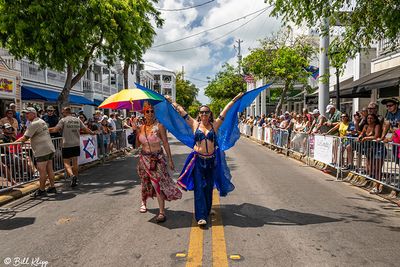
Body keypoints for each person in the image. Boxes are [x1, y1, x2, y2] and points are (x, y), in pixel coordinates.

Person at [167, 92, 242, 226]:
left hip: (211, 161)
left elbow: (225, 110)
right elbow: (181, 112)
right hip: (198, 160)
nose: (204, 115)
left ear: (210, 114)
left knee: (208, 188)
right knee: (199, 188)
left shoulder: (215, 125)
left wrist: (234, 99)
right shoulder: (195, 125)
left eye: (206, 112)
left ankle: (206, 211)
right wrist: (172, 102)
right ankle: (200, 216)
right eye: (201, 112)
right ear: (199, 114)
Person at [136, 102, 182, 223]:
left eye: (152, 111)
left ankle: (161, 212)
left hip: (157, 159)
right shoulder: (141, 127)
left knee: (157, 183)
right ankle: (143, 202)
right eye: (147, 111)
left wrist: (170, 159)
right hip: (144, 159)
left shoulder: (160, 126)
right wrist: (134, 130)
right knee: (145, 181)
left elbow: (165, 143)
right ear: (144, 113)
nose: (150, 113)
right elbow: (137, 145)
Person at [16, 107, 56, 197]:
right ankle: (52, 187)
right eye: (25, 113)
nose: (26, 115)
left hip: (42, 150)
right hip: (49, 148)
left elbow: (24, 137)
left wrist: (13, 143)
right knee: (49, 169)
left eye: (27, 113)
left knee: (42, 171)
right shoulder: (41, 121)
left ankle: (42, 190)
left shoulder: (34, 124)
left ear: (33, 114)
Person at [49, 107, 94, 187]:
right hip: (76, 144)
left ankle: (72, 176)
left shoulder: (63, 120)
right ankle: (76, 178)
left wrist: (44, 129)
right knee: (75, 162)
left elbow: (55, 130)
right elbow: (86, 129)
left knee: (66, 162)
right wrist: (92, 132)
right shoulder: (77, 120)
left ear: (66, 112)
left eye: (62, 112)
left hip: (66, 144)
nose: (62, 114)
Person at [357, 113, 384, 193]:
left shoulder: (377, 126)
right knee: (371, 168)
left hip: (379, 148)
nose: (369, 120)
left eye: (371, 118)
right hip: (370, 149)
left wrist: (366, 138)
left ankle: (377, 187)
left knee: (377, 169)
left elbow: (376, 136)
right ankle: (374, 185)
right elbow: (361, 133)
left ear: (375, 119)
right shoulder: (365, 126)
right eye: (368, 118)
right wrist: (360, 137)